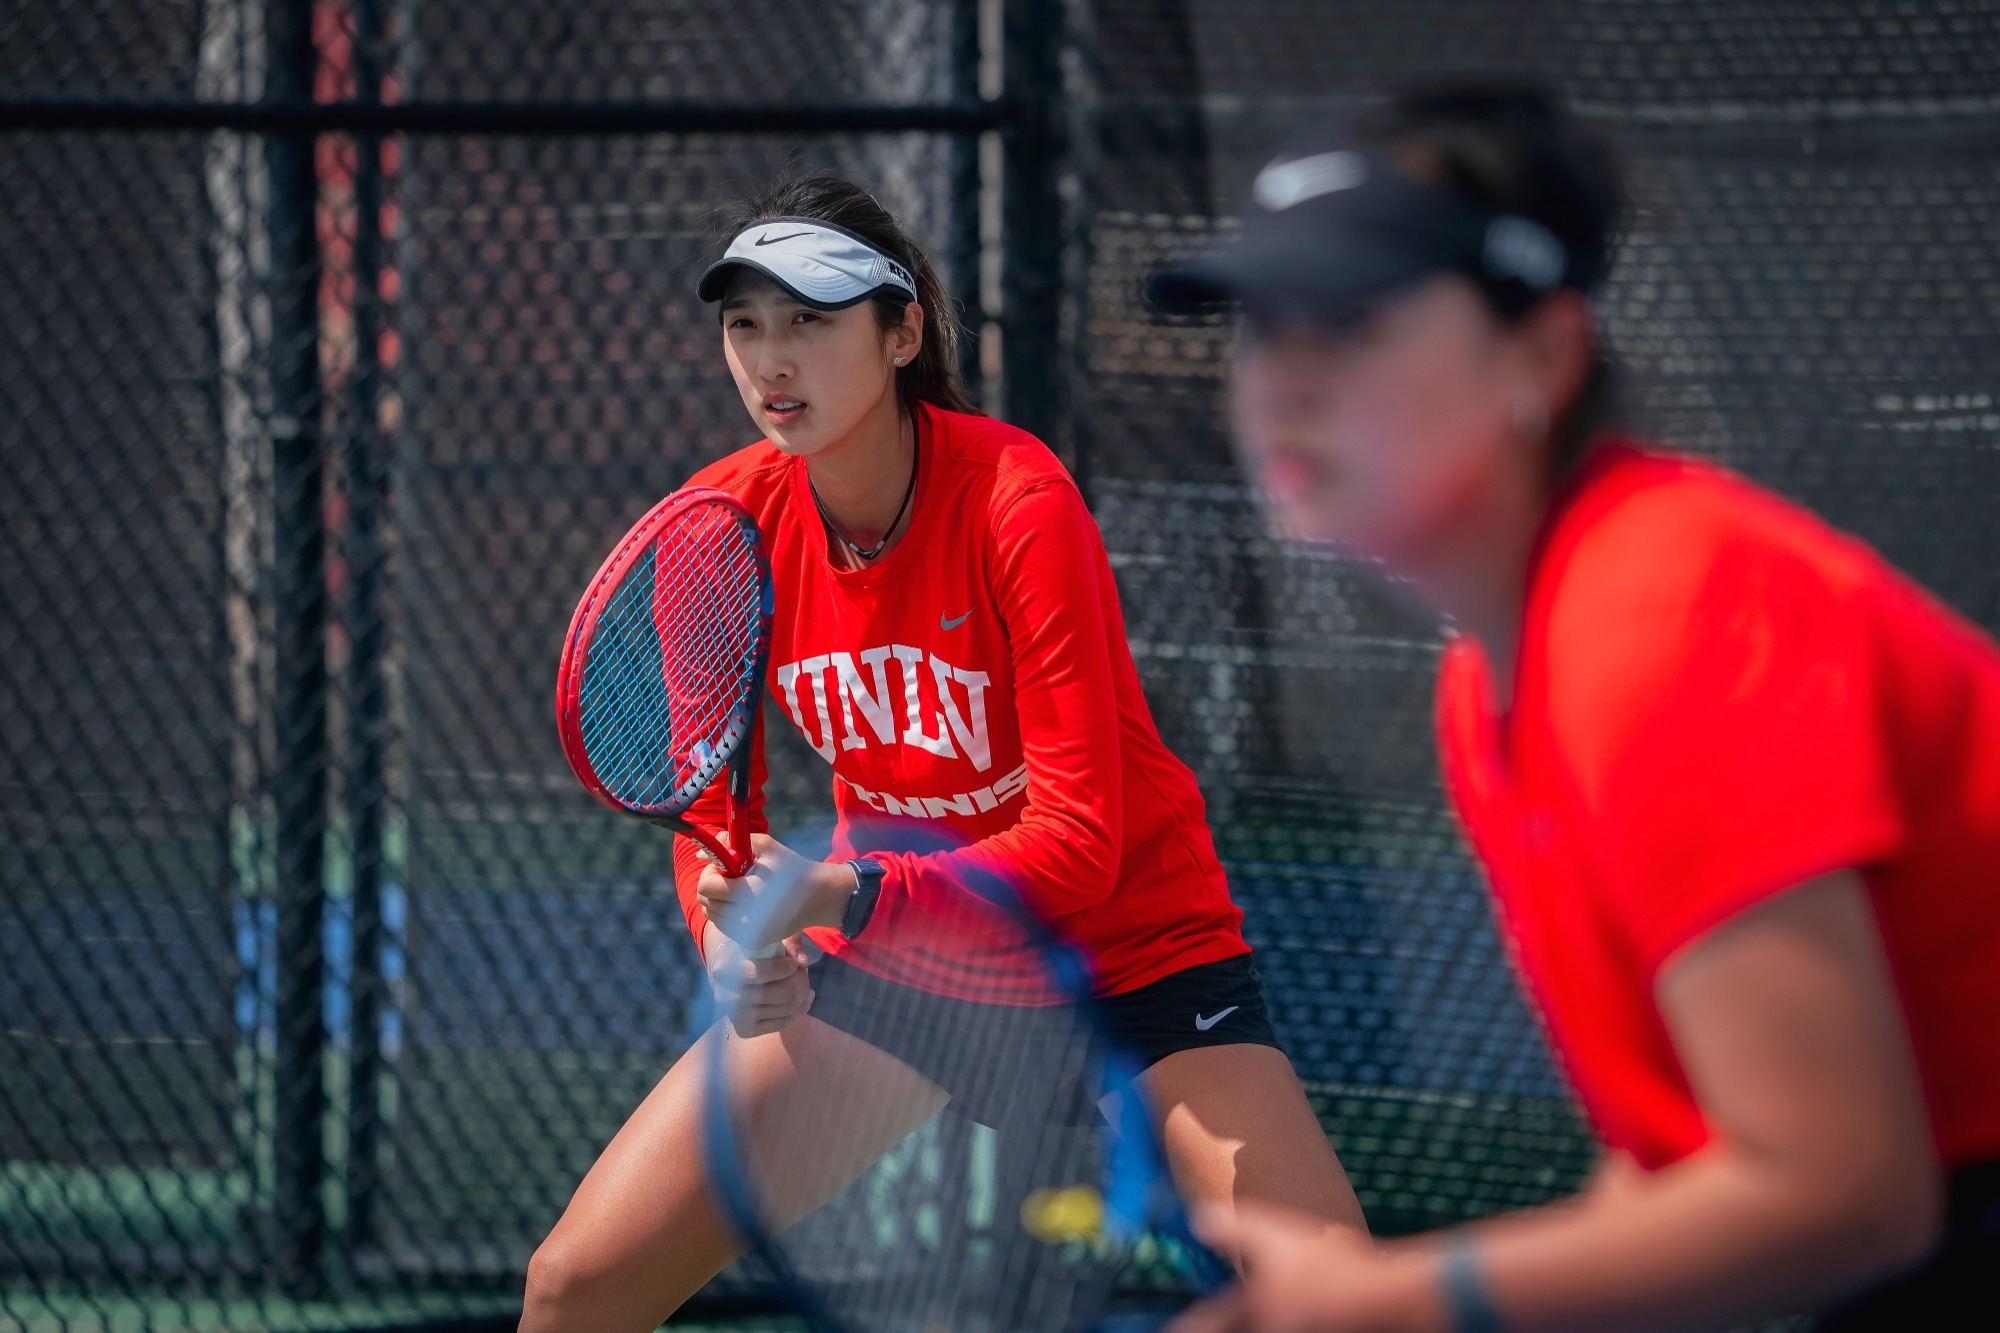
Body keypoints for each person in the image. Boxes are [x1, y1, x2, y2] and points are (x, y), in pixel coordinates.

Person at [1151, 82, 2000, 1332]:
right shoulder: (1489, 677)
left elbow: (1844, 1194)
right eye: (1263, 326)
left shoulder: (1660, 623)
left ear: (1542, 354)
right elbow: (1678, 1161)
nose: (1283, 378)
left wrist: (1396, 1302)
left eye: (1349, 318)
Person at [519, 174, 1365, 1332]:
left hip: (1127, 956)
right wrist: (726, 941)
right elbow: (712, 815)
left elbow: (1077, 844)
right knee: (575, 1286)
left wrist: (844, 891)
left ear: (901, 333)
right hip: (902, 964)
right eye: (744, 324)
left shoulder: (1018, 501)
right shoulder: (716, 527)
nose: (771, 360)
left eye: (809, 320)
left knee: (1340, 1307)